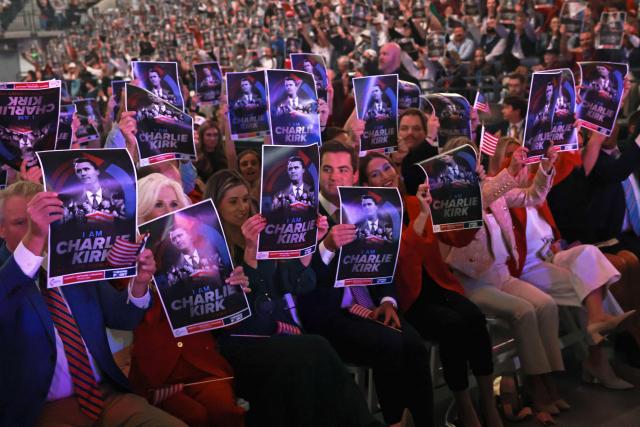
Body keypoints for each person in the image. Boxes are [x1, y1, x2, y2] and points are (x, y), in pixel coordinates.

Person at [204, 169, 386, 427]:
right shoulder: (212, 251)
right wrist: (251, 256)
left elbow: (299, 283)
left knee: (310, 363)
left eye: (245, 199)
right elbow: (255, 309)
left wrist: (310, 244)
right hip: (241, 342)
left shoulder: (266, 237)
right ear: (216, 206)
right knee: (314, 348)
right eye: (233, 201)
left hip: (277, 334)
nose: (243, 208)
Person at [0, 180, 186, 426]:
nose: (36, 228)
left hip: (106, 396)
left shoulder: (75, 261)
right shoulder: (7, 276)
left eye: (43, 219)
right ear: (1, 229)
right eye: (20, 222)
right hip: (39, 409)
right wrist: (34, 237)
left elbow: (124, 318)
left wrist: (139, 283)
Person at [359, 151, 503, 427]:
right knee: (452, 325)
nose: (385, 176)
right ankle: (464, 406)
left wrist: (475, 197)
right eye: (375, 174)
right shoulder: (371, 216)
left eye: (387, 168)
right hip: (407, 299)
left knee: (473, 317)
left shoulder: (415, 202)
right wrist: (423, 218)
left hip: (439, 285)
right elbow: (401, 258)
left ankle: (487, 400)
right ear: (366, 184)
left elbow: (457, 237)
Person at [297, 140, 434, 427]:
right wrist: (328, 246)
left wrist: (387, 301)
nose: (335, 177)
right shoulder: (302, 213)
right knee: (389, 345)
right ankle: (395, 421)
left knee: (415, 345)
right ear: (317, 173)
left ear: (354, 175)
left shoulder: (371, 205)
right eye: (327, 169)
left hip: (372, 304)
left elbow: (384, 264)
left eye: (343, 169)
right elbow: (302, 283)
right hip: (329, 315)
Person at [129, 173, 247, 427]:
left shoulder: (206, 254)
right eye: (158, 204)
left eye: (173, 205)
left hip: (201, 362)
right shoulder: (127, 259)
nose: (167, 211)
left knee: (224, 412)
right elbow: (127, 316)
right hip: (157, 371)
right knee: (194, 417)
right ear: (142, 211)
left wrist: (235, 292)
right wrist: (143, 281)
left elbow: (227, 323)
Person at [63, 157, 125, 223]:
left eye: (86, 169)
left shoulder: (116, 197)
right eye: (78, 171)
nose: (83, 174)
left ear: (97, 171)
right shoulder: (72, 203)